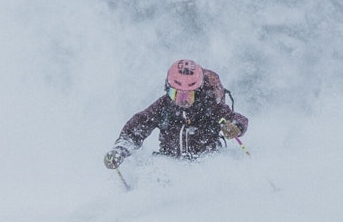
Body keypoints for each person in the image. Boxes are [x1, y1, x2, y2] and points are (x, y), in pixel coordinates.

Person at [104, 59, 249, 168]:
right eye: (176, 94)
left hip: (206, 162)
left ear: (197, 93)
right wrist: (121, 149)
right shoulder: (164, 106)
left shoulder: (209, 106)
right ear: (168, 89)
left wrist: (235, 126)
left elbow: (236, 119)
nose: (182, 101)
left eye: (188, 96)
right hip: (170, 162)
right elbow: (139, 125)